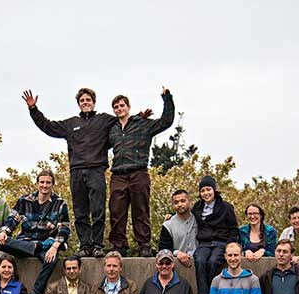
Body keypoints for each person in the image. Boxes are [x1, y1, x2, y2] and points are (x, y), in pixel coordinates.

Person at [23, 87, 114, 258]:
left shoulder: (104, 120)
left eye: (88, 100)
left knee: (98, 210)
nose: (85, 103)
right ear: (79, 104)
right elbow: (48, 126)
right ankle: (85, 245)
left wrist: (141, 117)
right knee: (80, 211)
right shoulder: (71, 124)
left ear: (93, 102)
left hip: (96, 170)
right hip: (77, 171)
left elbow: (124, 121)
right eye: (82, 101)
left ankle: (97, 245)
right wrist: (33, 109)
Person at [107, 88, 175, 257]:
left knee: (141, 210)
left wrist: (167, 98)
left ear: (128, 107)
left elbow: (166, 121)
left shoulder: (143, 124)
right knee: (116, 211)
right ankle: (119, 245)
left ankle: (143, 244)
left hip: (138, 172)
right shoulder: (112, 129)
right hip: (118, 174)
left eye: (122, 105)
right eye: (116, 106)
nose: (119, 108)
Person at [0, 169, 71, 294]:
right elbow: (12, 219)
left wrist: (55, 246)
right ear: (37, 183)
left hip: (46, 244)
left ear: (52, 184)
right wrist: (4, 232)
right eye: (42, 182)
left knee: (52, 259)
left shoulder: (60, 204)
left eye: (48, 182)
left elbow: (65, 228)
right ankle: (35, 247)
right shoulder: (24, 201)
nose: (45, 185)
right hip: (25, 242)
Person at [192, 176, 239, 294]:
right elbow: (186, 216)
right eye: (203, 190)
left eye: (208, 189)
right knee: (200, 260)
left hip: (220, 242)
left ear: (214, 190)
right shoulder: (197, 207)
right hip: (204, 243)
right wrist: (170, 216)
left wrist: (230, 245)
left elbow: (234, 229)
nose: (206, 193)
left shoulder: (226, 207)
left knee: (213, 262)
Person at [158, 189, 197, 268]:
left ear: (189, 201)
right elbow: (163, 249)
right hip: (177, 265)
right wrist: (177, 253)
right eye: (176, 202)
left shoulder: (199, 219)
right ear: (172, 205)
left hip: (200, 263)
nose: (179, 204)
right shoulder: (167, 225)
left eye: (183, 201)